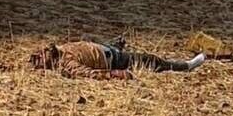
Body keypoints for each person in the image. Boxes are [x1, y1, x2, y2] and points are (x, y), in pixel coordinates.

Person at [29, 38, 206, 80]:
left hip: (107, 49)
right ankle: (185, 66)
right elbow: (91, 74)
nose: (45, 50)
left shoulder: (60, 50)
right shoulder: (67, 64)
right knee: (152, 61)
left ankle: (114, 44)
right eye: (41, 55)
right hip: (115, 60)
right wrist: (116, 74)